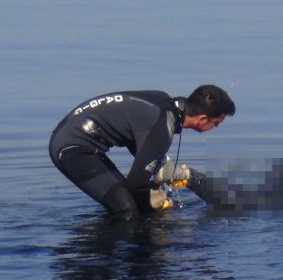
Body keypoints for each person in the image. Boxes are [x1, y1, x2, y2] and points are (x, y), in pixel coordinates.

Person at [48, 85, 235, 220]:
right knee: (127, 210)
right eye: (216, 123)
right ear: (203, 119)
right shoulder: (162, 128)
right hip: (71, 147)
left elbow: (137, 140)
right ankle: (113, 263)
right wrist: (152, 199)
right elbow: (136, 183)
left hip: (77, 139)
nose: (215, 127)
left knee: (135, 205)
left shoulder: (163, 102)